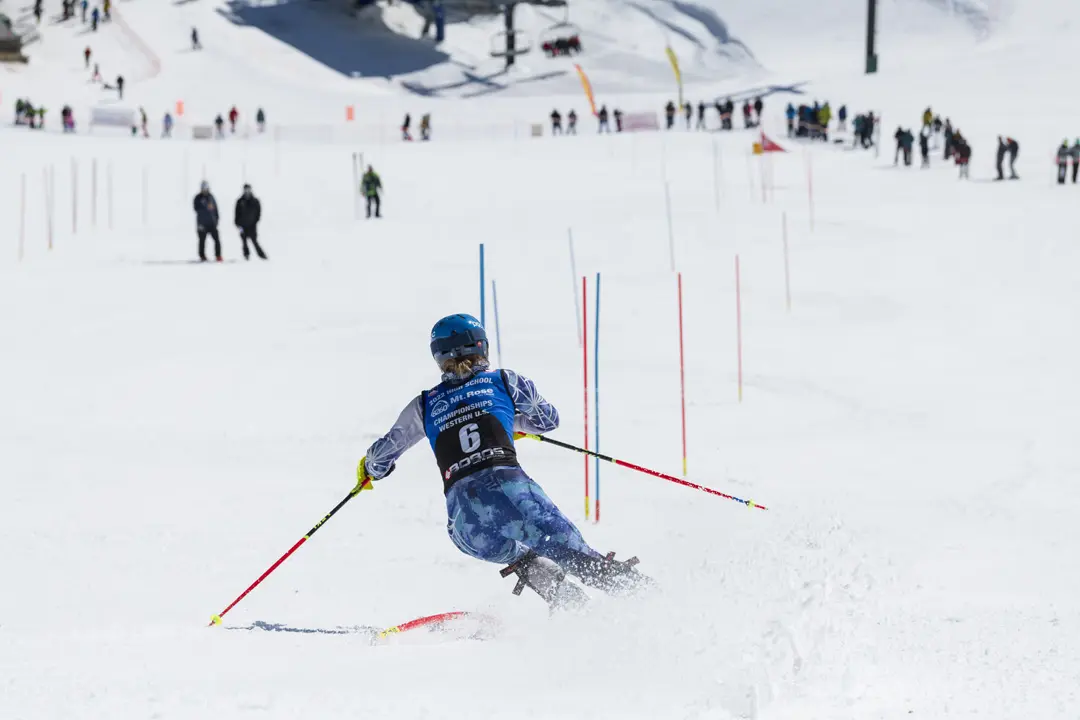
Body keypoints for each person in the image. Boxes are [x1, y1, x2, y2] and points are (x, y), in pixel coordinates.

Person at [356, 314, 648, 609]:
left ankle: (571, 606)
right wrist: (512, 424)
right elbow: (547, 420)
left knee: (525, 558)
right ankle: (649, 599)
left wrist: (368, 469)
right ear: (482, 346)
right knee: (576, 556)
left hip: (463, 523)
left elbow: (383, 454)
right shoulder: (503, 381)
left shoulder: (425, 404)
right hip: (512, 492)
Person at [234, 184, 267, 260]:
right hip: (242, 226)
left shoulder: (255, 201)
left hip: (252, 225)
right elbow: (236, 213)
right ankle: (246, 255)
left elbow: (258, 212)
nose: (247, 191)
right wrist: (237, 223)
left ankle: (262, 255)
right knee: (244, 241)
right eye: (246, 190)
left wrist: (255, 221)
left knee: (254, 241)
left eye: (248, 189)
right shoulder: (240, 201)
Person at [193, 181, 222, 262]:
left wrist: (217, 219)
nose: (205, 190)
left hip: (212, 223)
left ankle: (218, 255)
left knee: (217, 240)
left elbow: (215, 209)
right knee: (202, 241)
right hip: (202, 224)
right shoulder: (198, 198)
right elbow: (196, 209)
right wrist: (203, 204)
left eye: (206, 188)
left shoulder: (211, 197)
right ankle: (202, 256)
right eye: (203, 188)